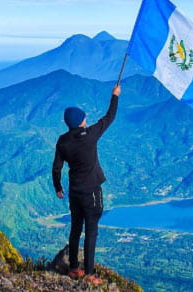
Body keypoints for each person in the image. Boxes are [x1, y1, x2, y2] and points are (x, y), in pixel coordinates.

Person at [52, 84, 121, 285]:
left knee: (75, 229)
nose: (86, 118)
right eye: (84, 116)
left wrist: (58, 187)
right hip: (92, 193)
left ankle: (74, 268)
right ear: (80, 121)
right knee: (91, 232)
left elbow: (56, 168)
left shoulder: (62, 141)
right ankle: (90, 274)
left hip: (74, 192)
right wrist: (115, 96)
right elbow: (110, 117)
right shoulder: (90, 135)